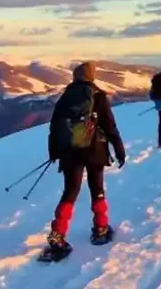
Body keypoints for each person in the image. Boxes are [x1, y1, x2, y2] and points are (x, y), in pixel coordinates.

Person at [46, 61, 126, 258]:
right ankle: (101, 228)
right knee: (96, 189)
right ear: (91, 76)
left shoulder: (65, 97)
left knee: (70, 191)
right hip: (95, 150)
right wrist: (119, 149)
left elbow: (54, 127)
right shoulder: (98, 96)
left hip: (69, 152)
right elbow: (110, 125)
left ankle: (58, 234)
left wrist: (54, 152)